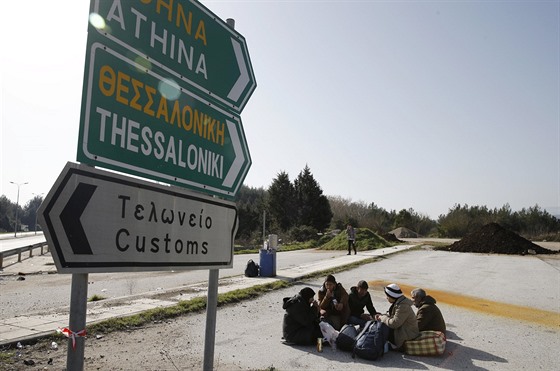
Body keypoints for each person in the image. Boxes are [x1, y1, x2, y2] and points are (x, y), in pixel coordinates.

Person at [375, 283, 419, 350]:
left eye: (387, 296)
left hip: (407, 334)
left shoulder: (403, 306)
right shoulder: (399, 303)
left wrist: (382, 318)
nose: (386, 298)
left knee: (382, 328)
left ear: (392, 296)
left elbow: (394, 323)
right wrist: (382, 316)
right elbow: (392, 316)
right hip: (403, 330)